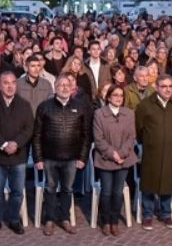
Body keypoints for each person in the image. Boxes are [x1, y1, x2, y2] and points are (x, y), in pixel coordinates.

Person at [33, 73, 92, 236]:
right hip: (49, 158)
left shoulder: (80, 106)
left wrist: (82, 157)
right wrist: (38, 158)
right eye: (61, 85)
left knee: (67, 189)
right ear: (55, 88)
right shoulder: (44, 107)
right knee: (50, 189)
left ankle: (65, 218)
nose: (64, 88)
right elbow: (37, 135)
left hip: (72, 159)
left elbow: (86, 135)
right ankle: (50, 220)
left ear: (72, 88)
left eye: (67, 85)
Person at [0, 72, 34, 236]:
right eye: (6, 83)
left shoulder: (24, 105)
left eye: (13, 83)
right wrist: (4, 145)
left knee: (17, 192)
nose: (10, 86)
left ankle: (14, 220)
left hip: (18, 156)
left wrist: (16, 143)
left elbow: (28, 129)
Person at [93, 85, 138, 236]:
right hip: (106, 160)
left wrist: (122, 154)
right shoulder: (99, 114)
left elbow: (131, 137)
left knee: (118, 192)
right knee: (106, 192)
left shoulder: (129, 113)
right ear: (109, 97)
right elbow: (98, 139)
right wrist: (113, 154)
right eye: (115, 95)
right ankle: (105, 221)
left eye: (121, 95)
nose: (118, 98)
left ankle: (114, 221)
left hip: (124, 160)